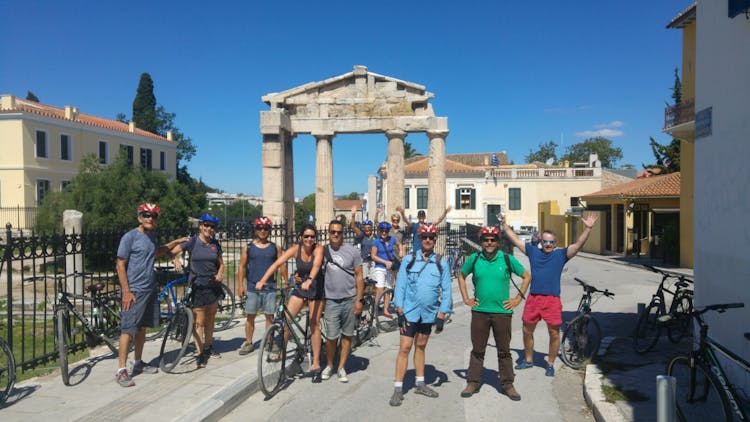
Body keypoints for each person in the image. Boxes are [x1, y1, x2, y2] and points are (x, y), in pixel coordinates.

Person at [503, 211, 599, 377]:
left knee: (554, 333)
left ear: (556, 243)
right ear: (541, 241)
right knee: (527, 330)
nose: (547, 244)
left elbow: (577, 245)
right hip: (534, 298)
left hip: (552, 300)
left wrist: (588, 229)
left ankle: (550, 363)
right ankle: (528, 359)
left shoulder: (560, 255)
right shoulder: (533, 252)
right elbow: (517, 240)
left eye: (551, 242)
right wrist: (504, 226)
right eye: (545, 241)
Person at [115, 203, 187, 387]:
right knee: (128, 329)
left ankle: (138, 362)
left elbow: (158, 251)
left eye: (153, 216)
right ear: (139, 217)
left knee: (142, 328)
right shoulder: (129, 237)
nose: (150, 218)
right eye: (146, 215)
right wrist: (126, 291)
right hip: (134, 291)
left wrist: (177, 242)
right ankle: (121, 370)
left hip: (149, 288)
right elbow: (120, 264)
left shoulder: (151, 236)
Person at [457, 226, 531, 400]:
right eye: (486, 239)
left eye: (493, 240)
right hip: (479, 312)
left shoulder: (506, 259)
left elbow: (527, 276)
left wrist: (518, 299)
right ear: (481, 241)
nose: (489, 242)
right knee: (477, 350)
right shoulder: (474, 259)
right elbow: (461, 275)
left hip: (502, 312)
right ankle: (473, 382)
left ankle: (507, 384)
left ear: (498, 242)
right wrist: (467, 298)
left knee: (504, 350)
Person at [389, 224, 452, 406]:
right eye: (424, 237)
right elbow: (400, 286)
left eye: (431, 237)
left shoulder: (441, 262)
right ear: (419, 238)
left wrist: (442, 315)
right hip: (409, 312)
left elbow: (446, 290)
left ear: (434, 240)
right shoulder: (409, 259)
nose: (427, 240)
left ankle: (420, 383)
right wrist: (399, 310)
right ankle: (398, 388)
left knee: (421, 346)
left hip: (428, 313)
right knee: (405, 347)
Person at [257, 224, 325, 381]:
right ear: (301, 237)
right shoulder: (295, 248)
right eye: (306, 236)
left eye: (312, 236)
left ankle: (315, 362)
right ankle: (282, 351)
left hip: (315, 287)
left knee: (314, 323)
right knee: (286, 322)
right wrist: (263, 280)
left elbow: (316, 266)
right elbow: (277, 263)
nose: (309, 239)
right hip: (301, 286)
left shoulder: (318, 249)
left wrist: (309, 279)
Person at [172, 213, 225, 369]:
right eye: (206, 225)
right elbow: (174, 250)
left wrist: (220, 273)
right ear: (201, 226)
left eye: (212, 226)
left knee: (210, 319)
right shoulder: (193, 242)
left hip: (212, 285)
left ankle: (208, 347)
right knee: (199, 322)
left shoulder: (216, 244)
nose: (209, 229)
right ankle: (200, 352)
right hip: (197, 285)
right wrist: (176, 259)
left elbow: (220, 263)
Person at [320, 220, 364, 383]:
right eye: (333, 232)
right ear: (328, 233)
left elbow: (359, 275)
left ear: (343, 233)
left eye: (338, 232)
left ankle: (341, 367)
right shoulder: (322, 250)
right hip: (331, 300)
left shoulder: (352, 251)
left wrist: (359, 299)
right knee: (331, 337)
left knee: (347, 336)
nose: (336, 235)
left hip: (350, 299)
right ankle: (330, 365)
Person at [236, 216, 287, 355]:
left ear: (270, 230)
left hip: (270, 287)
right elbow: (242, 267)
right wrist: (240, 285)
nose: (262, 231)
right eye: (260, 228)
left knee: (269, 316)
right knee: (250, 316)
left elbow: (281, 264)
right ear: (255, 229)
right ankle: (248, 342)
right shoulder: (248, 247)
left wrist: (285, 280)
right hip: (252, 287)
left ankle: (269, 341)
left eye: (265, 228)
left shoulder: (275, 247)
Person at [370, 221, 402, 319]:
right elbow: (373, 256)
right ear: (379, 231)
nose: (384, 233)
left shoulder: (392, 239)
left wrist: (401, 251)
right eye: (382, 231)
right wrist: (384, 262)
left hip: (389, 267)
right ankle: (375, 310)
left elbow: (399, 244)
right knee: (380, 289)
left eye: (386, 231)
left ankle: (385, 309)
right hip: (380, 267)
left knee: (388, 289)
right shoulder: (376, 242)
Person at [350, 206, 375, 282]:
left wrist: (377, 214)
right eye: (365, 228)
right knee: (364, 280)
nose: (367, 229)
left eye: (369, 228)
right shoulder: (362, 235)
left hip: (373, 261)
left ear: (371, 228)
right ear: (363, 229)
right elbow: (353, 227)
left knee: (373, 280)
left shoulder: (375, 237)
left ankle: (372, 293)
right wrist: (353, 215)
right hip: (364, 261)